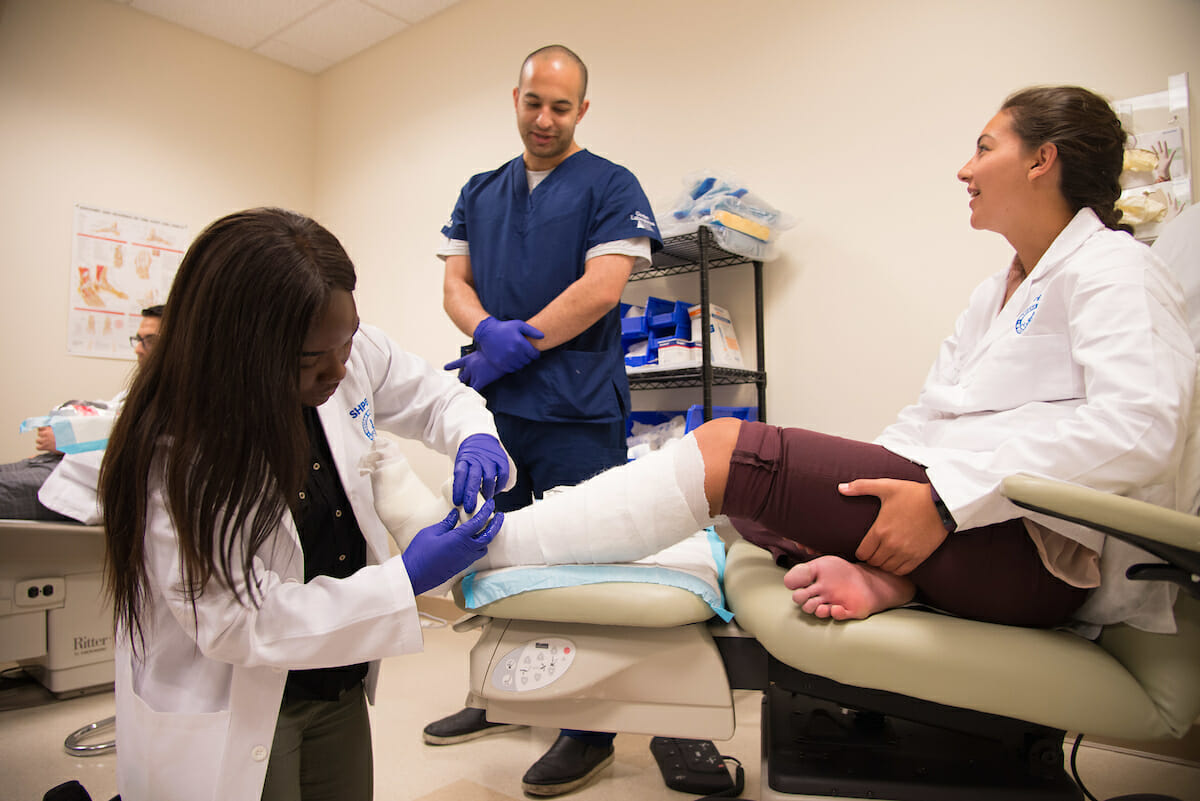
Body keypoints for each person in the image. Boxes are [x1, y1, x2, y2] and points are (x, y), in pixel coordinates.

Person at [473, 85, 1194, 638]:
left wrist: (943, 500)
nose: (964, 168)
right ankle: (895, 580)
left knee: (730, 453)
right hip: (962, 518)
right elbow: (930, 414)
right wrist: (876, 483)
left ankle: (491, 550)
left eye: (984, 147)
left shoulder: (1112, 268)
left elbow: (1141, 428)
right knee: (754, 513)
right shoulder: (997, 289)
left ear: (1043, 160)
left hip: (1032, 553)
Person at [98, 208, 514, 801]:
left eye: (347, 342)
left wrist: (474, 434)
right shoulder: (177, 450)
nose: (341, 368)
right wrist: (406, 577)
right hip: (235, 694)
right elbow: (240, 621)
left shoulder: (335, 343)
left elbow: (434, 397)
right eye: (311, 359)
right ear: (239, 350)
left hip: (334, 676)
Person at [429, 44, 662, 796]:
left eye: (562, 106)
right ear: (516, 98)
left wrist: (511, 345)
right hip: (497, 413)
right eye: (534, 102)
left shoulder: (609, 185)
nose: (545, 119)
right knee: (498, 557)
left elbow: (601, 290)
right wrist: (482, 333)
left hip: (575, 409)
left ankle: (587, 729)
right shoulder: (481, 190)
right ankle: (501, 696)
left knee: (577, 566)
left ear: (582, 111)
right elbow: (454, 285)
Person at [0, 305, 162, 522]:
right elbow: (107, 414)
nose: (138, 349)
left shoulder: (178, 400)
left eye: (149, 341)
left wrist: (68, 443)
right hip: (62, 466)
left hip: (82, 484)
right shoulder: (142, 389)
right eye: (138, 339)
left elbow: (136, 457)